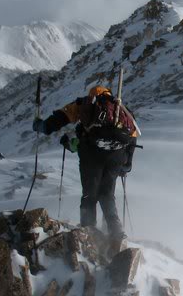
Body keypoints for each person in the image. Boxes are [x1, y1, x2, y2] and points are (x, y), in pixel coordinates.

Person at [33, 85, 139, 250]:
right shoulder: (121, 109)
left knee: (90, 195)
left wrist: (39, 125)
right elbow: (133, 136)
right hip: (116, 156)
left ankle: (88, 233)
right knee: (107, 195)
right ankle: (116, 232)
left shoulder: (83, 104)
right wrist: (127, 164)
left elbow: (54, 123)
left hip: (91, 155)